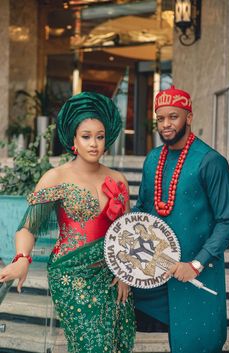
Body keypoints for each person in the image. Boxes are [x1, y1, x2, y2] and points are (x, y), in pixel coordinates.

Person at [0, 92, 136, 353]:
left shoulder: (118, 179)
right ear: (73, 139)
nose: (94, 143)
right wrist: (21, 258)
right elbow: (28, 227)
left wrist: (125, 273)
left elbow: (126, 234)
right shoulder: (56, 177)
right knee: (92, 344)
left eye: (99, 136)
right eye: (86, 136)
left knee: (112, 345)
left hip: (111, 275)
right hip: (70, 275)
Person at [132, 85, 229, 353]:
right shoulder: (153, 158)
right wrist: (122, 253)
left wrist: (197, 263)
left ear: (188, 117)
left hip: (196, 274)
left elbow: (228, 221)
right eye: (161, 118)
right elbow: (142, 208)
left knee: (196, 344)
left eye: (173, 117)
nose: (166, 124)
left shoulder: (211, 161)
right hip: (155, 272)